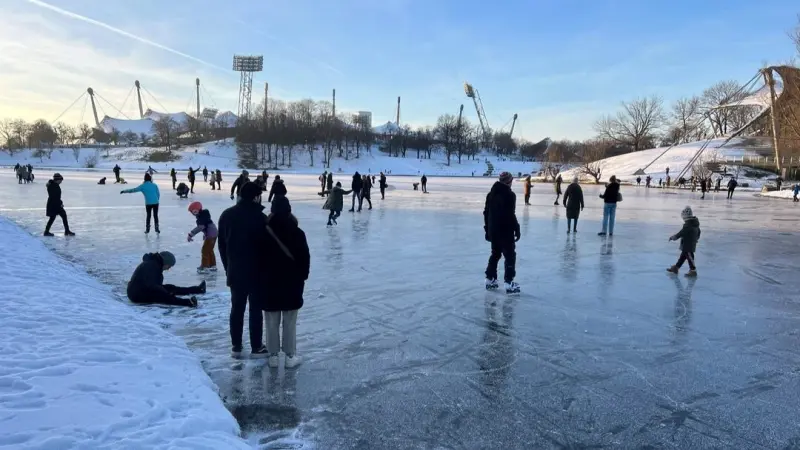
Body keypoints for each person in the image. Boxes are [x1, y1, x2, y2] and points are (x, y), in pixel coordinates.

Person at [217, 182, 268, 358]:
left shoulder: (226, 215)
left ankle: (236, 346)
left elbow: (221, 246)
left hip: (236, 270)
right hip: (257, 271)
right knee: (255, 309)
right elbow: (266, 248)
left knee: (237, 308)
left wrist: (227, 267)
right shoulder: (261, 218)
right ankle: (256, 346)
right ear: (255, 197)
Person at [260, 196, 310, 368]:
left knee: (271, 320)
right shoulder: (298, 233)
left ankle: (273, 356)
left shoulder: (263, 232)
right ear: (289, 210)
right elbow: (305, 258)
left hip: (269, 283)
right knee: (289, 321)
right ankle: (290, 356)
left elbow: (257, 259)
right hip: (292, 283)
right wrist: (302, 276)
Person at [483, 172, 521, 294]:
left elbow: (486, 213)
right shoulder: (510, 195)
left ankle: (490, 279)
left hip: (494, 230)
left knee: (495, 254)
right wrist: (517, 228)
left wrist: (488, 229)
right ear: (509, 181)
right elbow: (510, 214)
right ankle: (508, 282)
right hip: (505, 230)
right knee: (510, 256)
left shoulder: (491, 194)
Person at [127, 251, 204, 307]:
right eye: (169, 266)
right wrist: (166, 293)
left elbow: (153, 284)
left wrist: (165, 290)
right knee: (164, 296)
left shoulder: (154, 263)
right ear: (165, 262)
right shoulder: (152, 266)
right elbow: (152, 285)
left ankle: (197, 289)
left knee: (170, 288)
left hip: (139, 290)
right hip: (137, 295)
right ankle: (188, 303)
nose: (169, 268)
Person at [667, 206, 700, 277]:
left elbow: (680, 233)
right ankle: (676, 267)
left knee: (690, 257)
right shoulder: (694, 224)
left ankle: (693, 270)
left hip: (688, 245)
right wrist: (696, 239)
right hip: (688, 244)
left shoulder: (688, 226)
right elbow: (699, 232)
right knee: (683, 257)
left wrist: (673, 237)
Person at [187, 201, 218, 273]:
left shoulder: (201, 218)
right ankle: (212, 265)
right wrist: (205, 234)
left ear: (198, 210)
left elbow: (200, 227)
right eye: (192, 212)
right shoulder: (204, 215)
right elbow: (207, 226)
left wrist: (191, 234)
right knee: (209, 250)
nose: (193, 214)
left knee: (205, 250)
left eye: (194, 211)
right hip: (213, 234)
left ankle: (205, 267)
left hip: (211, 235)